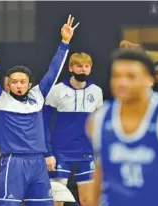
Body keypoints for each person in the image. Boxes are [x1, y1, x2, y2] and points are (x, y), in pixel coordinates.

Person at [0, 15, 79, 205]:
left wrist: (65, 42)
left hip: (38, 162)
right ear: (8, 85)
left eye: (22, 82)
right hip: (13, 162)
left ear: (29, 84)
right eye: (14, 82)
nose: (18, 85)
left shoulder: (38, 96)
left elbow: (53, 71)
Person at [86, 48, 158, 206]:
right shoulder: (98, 119)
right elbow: (100, 174)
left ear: (150, 80)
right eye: (116, 76)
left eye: (131, 76)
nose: (122, 82)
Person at [44, 52, 103, 206]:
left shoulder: (96, 91)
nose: (83, 70)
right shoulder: (56, 90)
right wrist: (48, 153)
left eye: (86, 66)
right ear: (70, 68)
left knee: (88, 200)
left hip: (86, 153)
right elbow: (44, 123)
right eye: (79, 66)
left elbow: (99, 125)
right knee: (57, 201)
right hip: (60, 153)